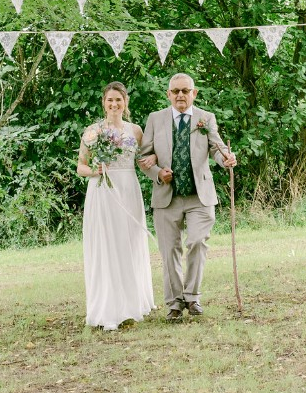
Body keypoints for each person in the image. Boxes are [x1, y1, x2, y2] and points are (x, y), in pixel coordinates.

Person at [138, 73, 237, 321]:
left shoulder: (206, 118)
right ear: (168, 94)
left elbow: (216, 147)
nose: (180, 95)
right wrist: (158, 173)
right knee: (169, 250)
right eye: (175, 91)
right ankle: (174, 303)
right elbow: (144, 158)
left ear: (194, 93)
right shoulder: (155, 119)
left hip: (199, 196)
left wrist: (226, 159)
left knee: (197, 242)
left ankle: (192, 297)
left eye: (185, 91)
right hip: (166, 196)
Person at [78, 81, 156, 331]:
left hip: (128, 189)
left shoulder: (136, 130)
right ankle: (107, 307)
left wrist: (155, 162)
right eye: (110, 100)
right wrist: (94, 170)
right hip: (102, 191)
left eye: (118, 100)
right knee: (106, 244)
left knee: (129, 243)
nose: (114, 104)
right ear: (104, 102)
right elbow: (80, 166)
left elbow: (145, 160)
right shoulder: (92, 131)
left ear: (125, 103)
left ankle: (133, 304)